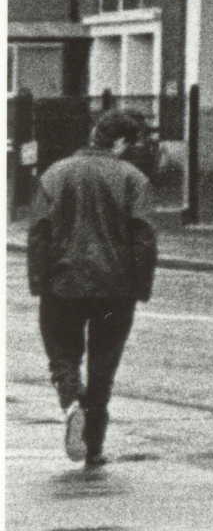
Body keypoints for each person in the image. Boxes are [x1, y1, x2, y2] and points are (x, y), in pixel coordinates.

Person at [26, 106, 159, 468]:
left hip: (62, 284)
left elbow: (39, 232)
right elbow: (143, 237)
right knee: (104, 364)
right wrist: (141, 286)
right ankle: (94, 445)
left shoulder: (55, 174)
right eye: (133, 144)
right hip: (116, 287)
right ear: (120, 142)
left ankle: (71, 402)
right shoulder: (133, 179)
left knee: (62, 354)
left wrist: (39, 281)